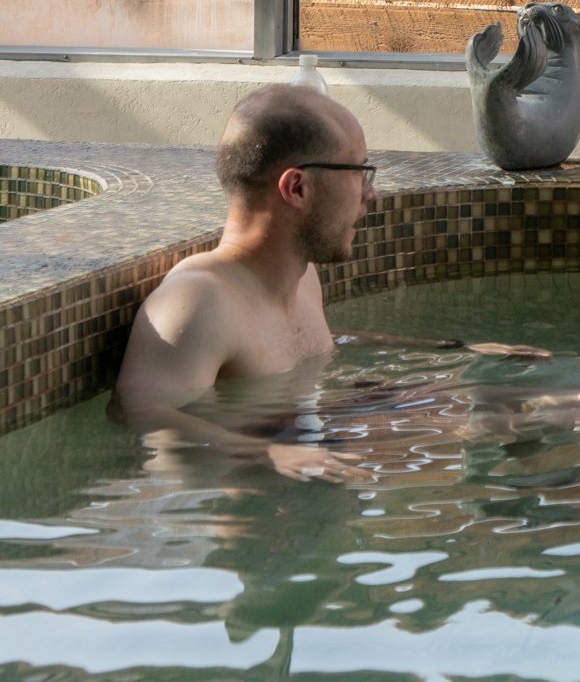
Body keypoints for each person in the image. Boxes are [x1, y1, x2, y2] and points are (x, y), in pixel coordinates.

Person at [113, 85, 543, 482]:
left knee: (530, 407)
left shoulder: (302, 280)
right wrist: (270, 456)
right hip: (259, 513)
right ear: (297, 188)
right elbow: (142, 415)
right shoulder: (198, 300)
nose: (370, 195)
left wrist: (449, 350)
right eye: (359, 173)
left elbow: (296, 347)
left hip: (311, 459)